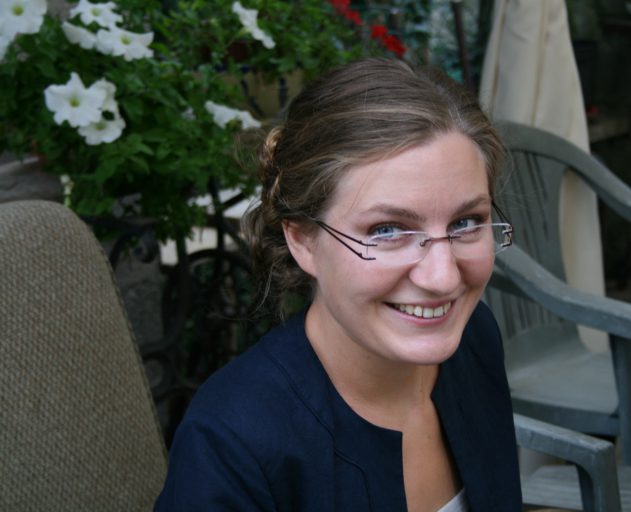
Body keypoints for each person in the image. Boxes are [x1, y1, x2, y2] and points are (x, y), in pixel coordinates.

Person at [154, 57, 523, 511]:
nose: (443, 277)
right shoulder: (233, 442)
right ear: (302, 239)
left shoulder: (473, 340)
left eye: (466, 222)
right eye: (387, 230)